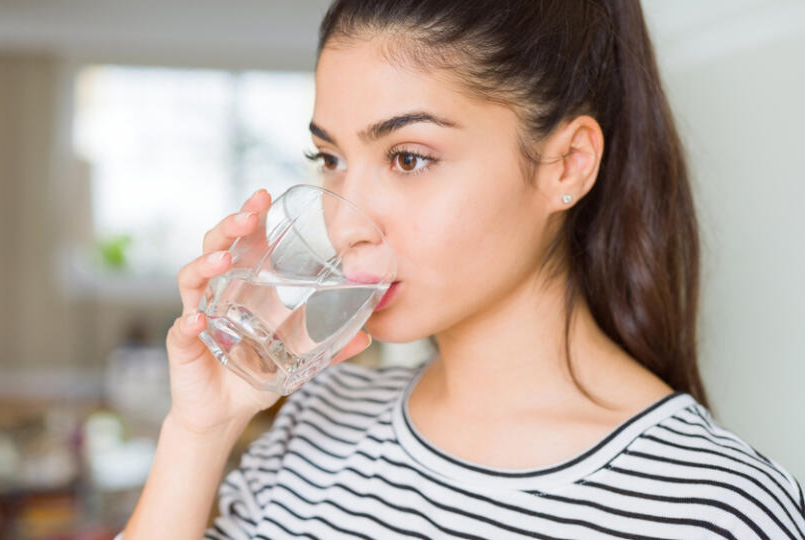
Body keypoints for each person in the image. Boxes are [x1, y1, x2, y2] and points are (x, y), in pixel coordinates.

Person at [117, 0, 805, 538]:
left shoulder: (715, 509)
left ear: (567, 165)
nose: (345, 222)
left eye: (409, 158)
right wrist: (198, 432)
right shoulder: (317, 421)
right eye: (330, 159)